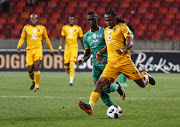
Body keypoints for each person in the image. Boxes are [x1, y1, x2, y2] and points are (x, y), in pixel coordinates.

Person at [78, 9, 155, 115]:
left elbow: (130, 42)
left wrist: (123, 49)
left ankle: (145, 76)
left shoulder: (122, 27)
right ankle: (90, 106)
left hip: (124, 62)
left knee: (142, 84)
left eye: (109, 20)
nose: (107, 23)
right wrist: (99, 53)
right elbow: (108, 45)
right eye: (106, 21)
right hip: (112, 64)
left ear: (115, 19)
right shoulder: (106, 31)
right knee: (100, 84)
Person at [77, 11, 125, 108]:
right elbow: (87, 54)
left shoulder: (105, 31)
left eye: (93, 19)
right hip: (96, 66)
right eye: (89, 20)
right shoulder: (86, 36)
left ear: (97, 19)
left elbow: (112, 45)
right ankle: (112, 108)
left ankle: (117, 87)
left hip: (107, 64)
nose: (91, 22)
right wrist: (82, 60)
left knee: (106, 88)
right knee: (98, 89)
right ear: (87, 21)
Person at [17, 14, 54, 92]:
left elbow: (46, 38)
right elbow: (22, 37)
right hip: (29, 50)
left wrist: (51, 49)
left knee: (36, 66)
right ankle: (33, 80)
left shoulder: (42, 28)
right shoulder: (26, 28)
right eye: (32, 19)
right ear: (30, 20)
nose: (33, 21)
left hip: (38, 49)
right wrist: (19, 45)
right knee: (29, 69)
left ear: (38, 20)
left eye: (35, 19)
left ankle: (37, 86)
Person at [58, 14, 84, 86]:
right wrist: (60, 47)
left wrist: (84, 48)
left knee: (72, 63)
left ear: (74, 20)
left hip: (74, 48)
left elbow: (81, 39)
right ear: (68, 20)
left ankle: (71, 81)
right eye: (70, 19)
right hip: (67, 48)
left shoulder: (78, 28)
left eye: (72, 19)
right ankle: (72, 75)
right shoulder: (65, 28)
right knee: (66, 65)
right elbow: (63, 38)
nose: (71, 21)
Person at [118, 20, 135, 87]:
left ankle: (123, 82)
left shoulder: (129, 31)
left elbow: (132, 40)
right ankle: (121, 82)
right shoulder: (118, 31)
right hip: (120, 51)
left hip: (126, 51)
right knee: (122, 67)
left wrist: (131, 48)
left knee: (125, 67)